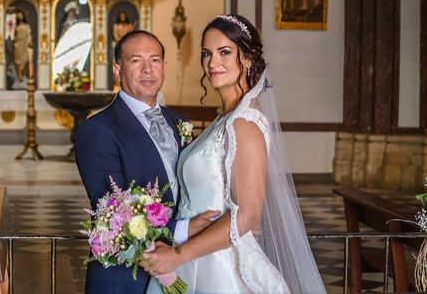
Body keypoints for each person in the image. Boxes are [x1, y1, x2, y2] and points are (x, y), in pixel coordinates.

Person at [143, 15, 326, 294]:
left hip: (218, 266)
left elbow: (249, 214)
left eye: (225, 52)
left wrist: (178, 256)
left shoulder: (246, 122)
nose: (213, 62)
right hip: (195, 255)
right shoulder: (226, 118)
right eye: (207, 53)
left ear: (249, 58)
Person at [75, 30, 220, 294]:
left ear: (164, 67)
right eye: (136, 61)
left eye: (154, 60)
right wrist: (188, 228)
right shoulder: (97, 130)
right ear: (118, 69)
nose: (147, 70)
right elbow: (115, 213)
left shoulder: (179, 122)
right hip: (126, 277)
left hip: (186, 263)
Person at [12, 10, 32, 83]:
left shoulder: (27, 26)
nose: (20, 17)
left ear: (23, 16)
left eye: (21, 15)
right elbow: (13, 35)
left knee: (25, 60)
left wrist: (29, 42)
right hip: (18, 44)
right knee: (18, 61)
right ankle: (19, 77)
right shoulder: (16, 26)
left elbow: (29, 35)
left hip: (25, 44)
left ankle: (24, 77)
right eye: (18, 15)